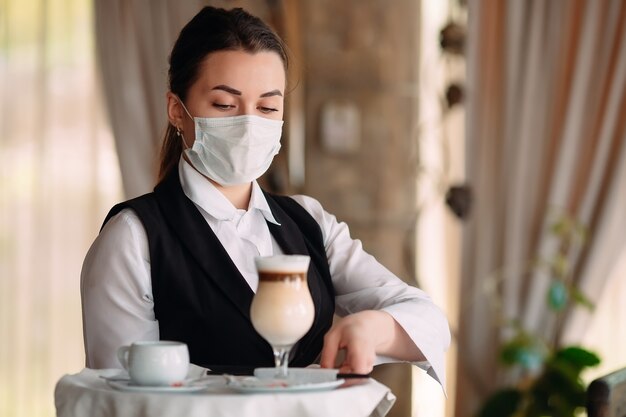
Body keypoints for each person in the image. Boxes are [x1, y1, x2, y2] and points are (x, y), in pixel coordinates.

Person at [81, 6, 450, 387]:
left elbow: (429, 319)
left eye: (267, 107)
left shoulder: (308, 221)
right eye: (225, 105)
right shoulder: (133, 237)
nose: (248, 124)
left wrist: (374, 329)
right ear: (177, 110)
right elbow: (120, 396)